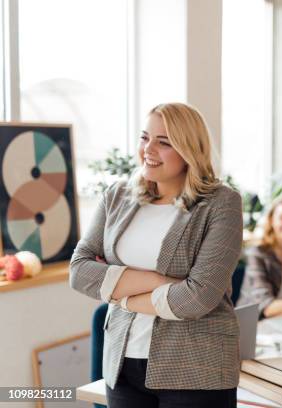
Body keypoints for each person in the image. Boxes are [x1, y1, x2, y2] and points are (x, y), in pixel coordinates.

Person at [69, 103, 242, 407]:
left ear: (190, 150)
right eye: (145, 137)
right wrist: (161, 280)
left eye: (164, 142)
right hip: (122, 365)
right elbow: (79, 271)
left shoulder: (221, 204)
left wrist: (118, 294)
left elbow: (197, 298)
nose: (148, 149)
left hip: (196, 368)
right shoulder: (117, 196)